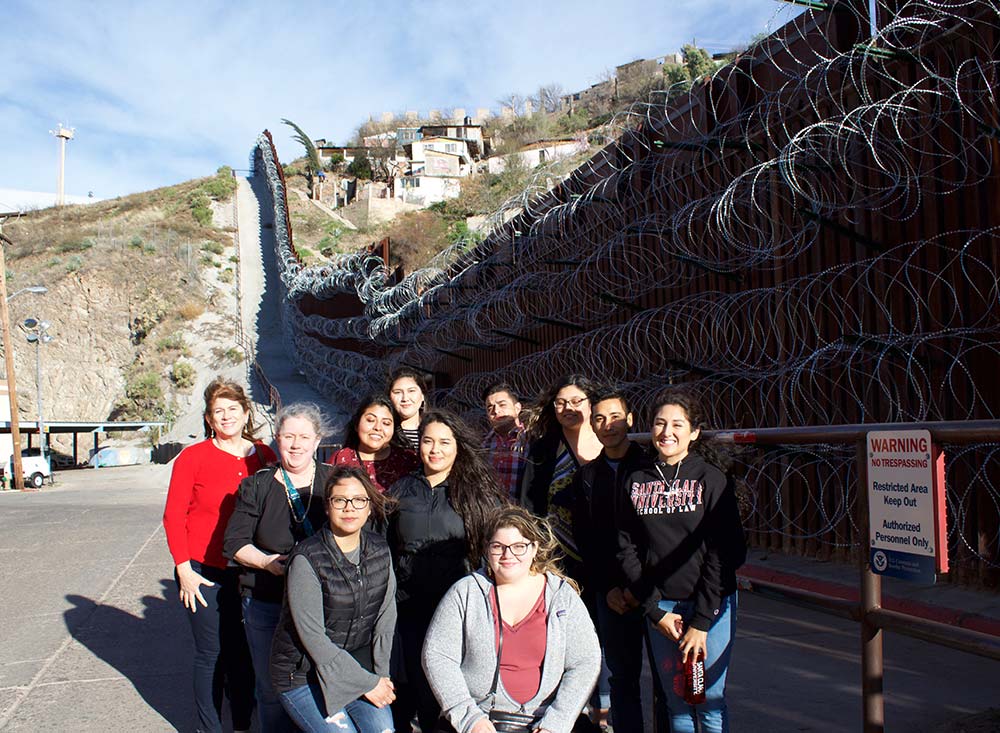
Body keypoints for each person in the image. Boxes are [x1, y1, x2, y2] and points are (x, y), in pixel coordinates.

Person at [617, 387, 746, 733]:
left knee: (709, 702)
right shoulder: (636, 480)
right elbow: (627, 548)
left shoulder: (711, 479)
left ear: (694, 432)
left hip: (712, 607)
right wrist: (655, 611)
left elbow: (725, 552)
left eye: (677, 424)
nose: (667, 432)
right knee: (677, 703)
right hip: (663, 609)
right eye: (660, 424)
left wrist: (702, 622)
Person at [422, 506, 601, 733]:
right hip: (482, 718)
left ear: (534, 548)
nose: (508, 555)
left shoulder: (562, 596)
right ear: (487, 550)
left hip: (547, 720)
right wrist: (469, 718)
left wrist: (557, 723)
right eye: (498, 547)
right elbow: (437, 655)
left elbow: (585, 661)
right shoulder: (466, 592)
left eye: (519, 546)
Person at [163, 377, 276, 733]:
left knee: (242, 652)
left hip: (248, 568)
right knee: (211, 653)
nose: (225, 417)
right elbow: (173, 515)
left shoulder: (263, 455)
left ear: (246, 413)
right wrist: (183, 568)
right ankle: (209, 727)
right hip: (202, 569)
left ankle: (242, 722)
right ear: (210, 420)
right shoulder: (192, 457)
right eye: (217, 412)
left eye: (232, 409)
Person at [387, 409, 508, 733]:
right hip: (409, 609)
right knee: (416, 691)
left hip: (458, 609)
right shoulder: (401, 490)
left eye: (444, 442)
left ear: (457, 447)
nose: (435, 449)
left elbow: (494, 549)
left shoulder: (476, 493)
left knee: (453, 694)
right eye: (428, 441)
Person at [224, 402, 333, 733]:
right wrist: (267, 563)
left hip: (326, 605)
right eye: (288, 436)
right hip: (267, 600)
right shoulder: (257, 487)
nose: (296, 444)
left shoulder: (336, 482)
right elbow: (234, 543)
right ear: (277, 438)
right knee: (272, 687)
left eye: (304, 437)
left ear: (317, 440)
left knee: (323, 680)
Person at [270, 465, 398, 733]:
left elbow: (386, 618)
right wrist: (368, 684)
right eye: (340, 500)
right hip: (303, 674)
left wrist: (381, 676)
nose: (350, 508)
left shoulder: (380, 550)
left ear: (369, 506)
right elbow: (314, 639)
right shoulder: (307, 559)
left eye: (359, 500)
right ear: (327, 507)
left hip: (355, 665)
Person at [572, 389, 648, 733]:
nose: (608, 425)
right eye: (599, 418)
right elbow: (587, 539)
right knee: (622, 677)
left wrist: (640, 589)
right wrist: (609, 588)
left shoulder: (652, 467)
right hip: (611, 593)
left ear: (630, 419)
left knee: (665, 681)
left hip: (653, 590)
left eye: (615, 416)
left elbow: (661, 538)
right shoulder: (587, 477)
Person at [330, 394, 420, 493]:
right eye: (370, 420)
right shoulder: (341, 458)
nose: (378, 427)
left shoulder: (407, 460)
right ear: (356, 424)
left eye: (386, 423)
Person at [481, 383, 527, 503]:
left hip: (523, 517)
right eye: (490, 408)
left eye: (502, 405)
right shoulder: (483, 445)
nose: (496, 411)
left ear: (517, 408)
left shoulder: (531, 440)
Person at [388, 368, 429, 450]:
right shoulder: (384, 432)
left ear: (422, 396)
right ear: (389, 397)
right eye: (397, 392)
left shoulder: (435, 429)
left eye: (411, 391)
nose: (405, 398)